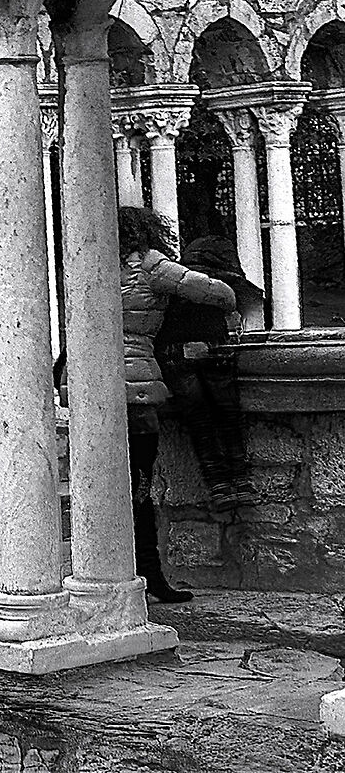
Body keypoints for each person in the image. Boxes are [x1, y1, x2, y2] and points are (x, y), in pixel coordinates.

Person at [119, 204, 236, 603]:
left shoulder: (89, 264)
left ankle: (113, 572)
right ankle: (150, 573)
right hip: (136, 390)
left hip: (87, 385)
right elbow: (216, 292)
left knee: (104, 487)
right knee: (140, 487)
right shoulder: (151, 266)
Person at [154, 231, 260, 505]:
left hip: (176, 356)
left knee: (199, 420)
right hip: (217, 350)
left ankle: (219, 484)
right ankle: (241, 480)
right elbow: (247, 311)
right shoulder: (225, 289)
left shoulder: (174, 283)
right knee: (228, 414)